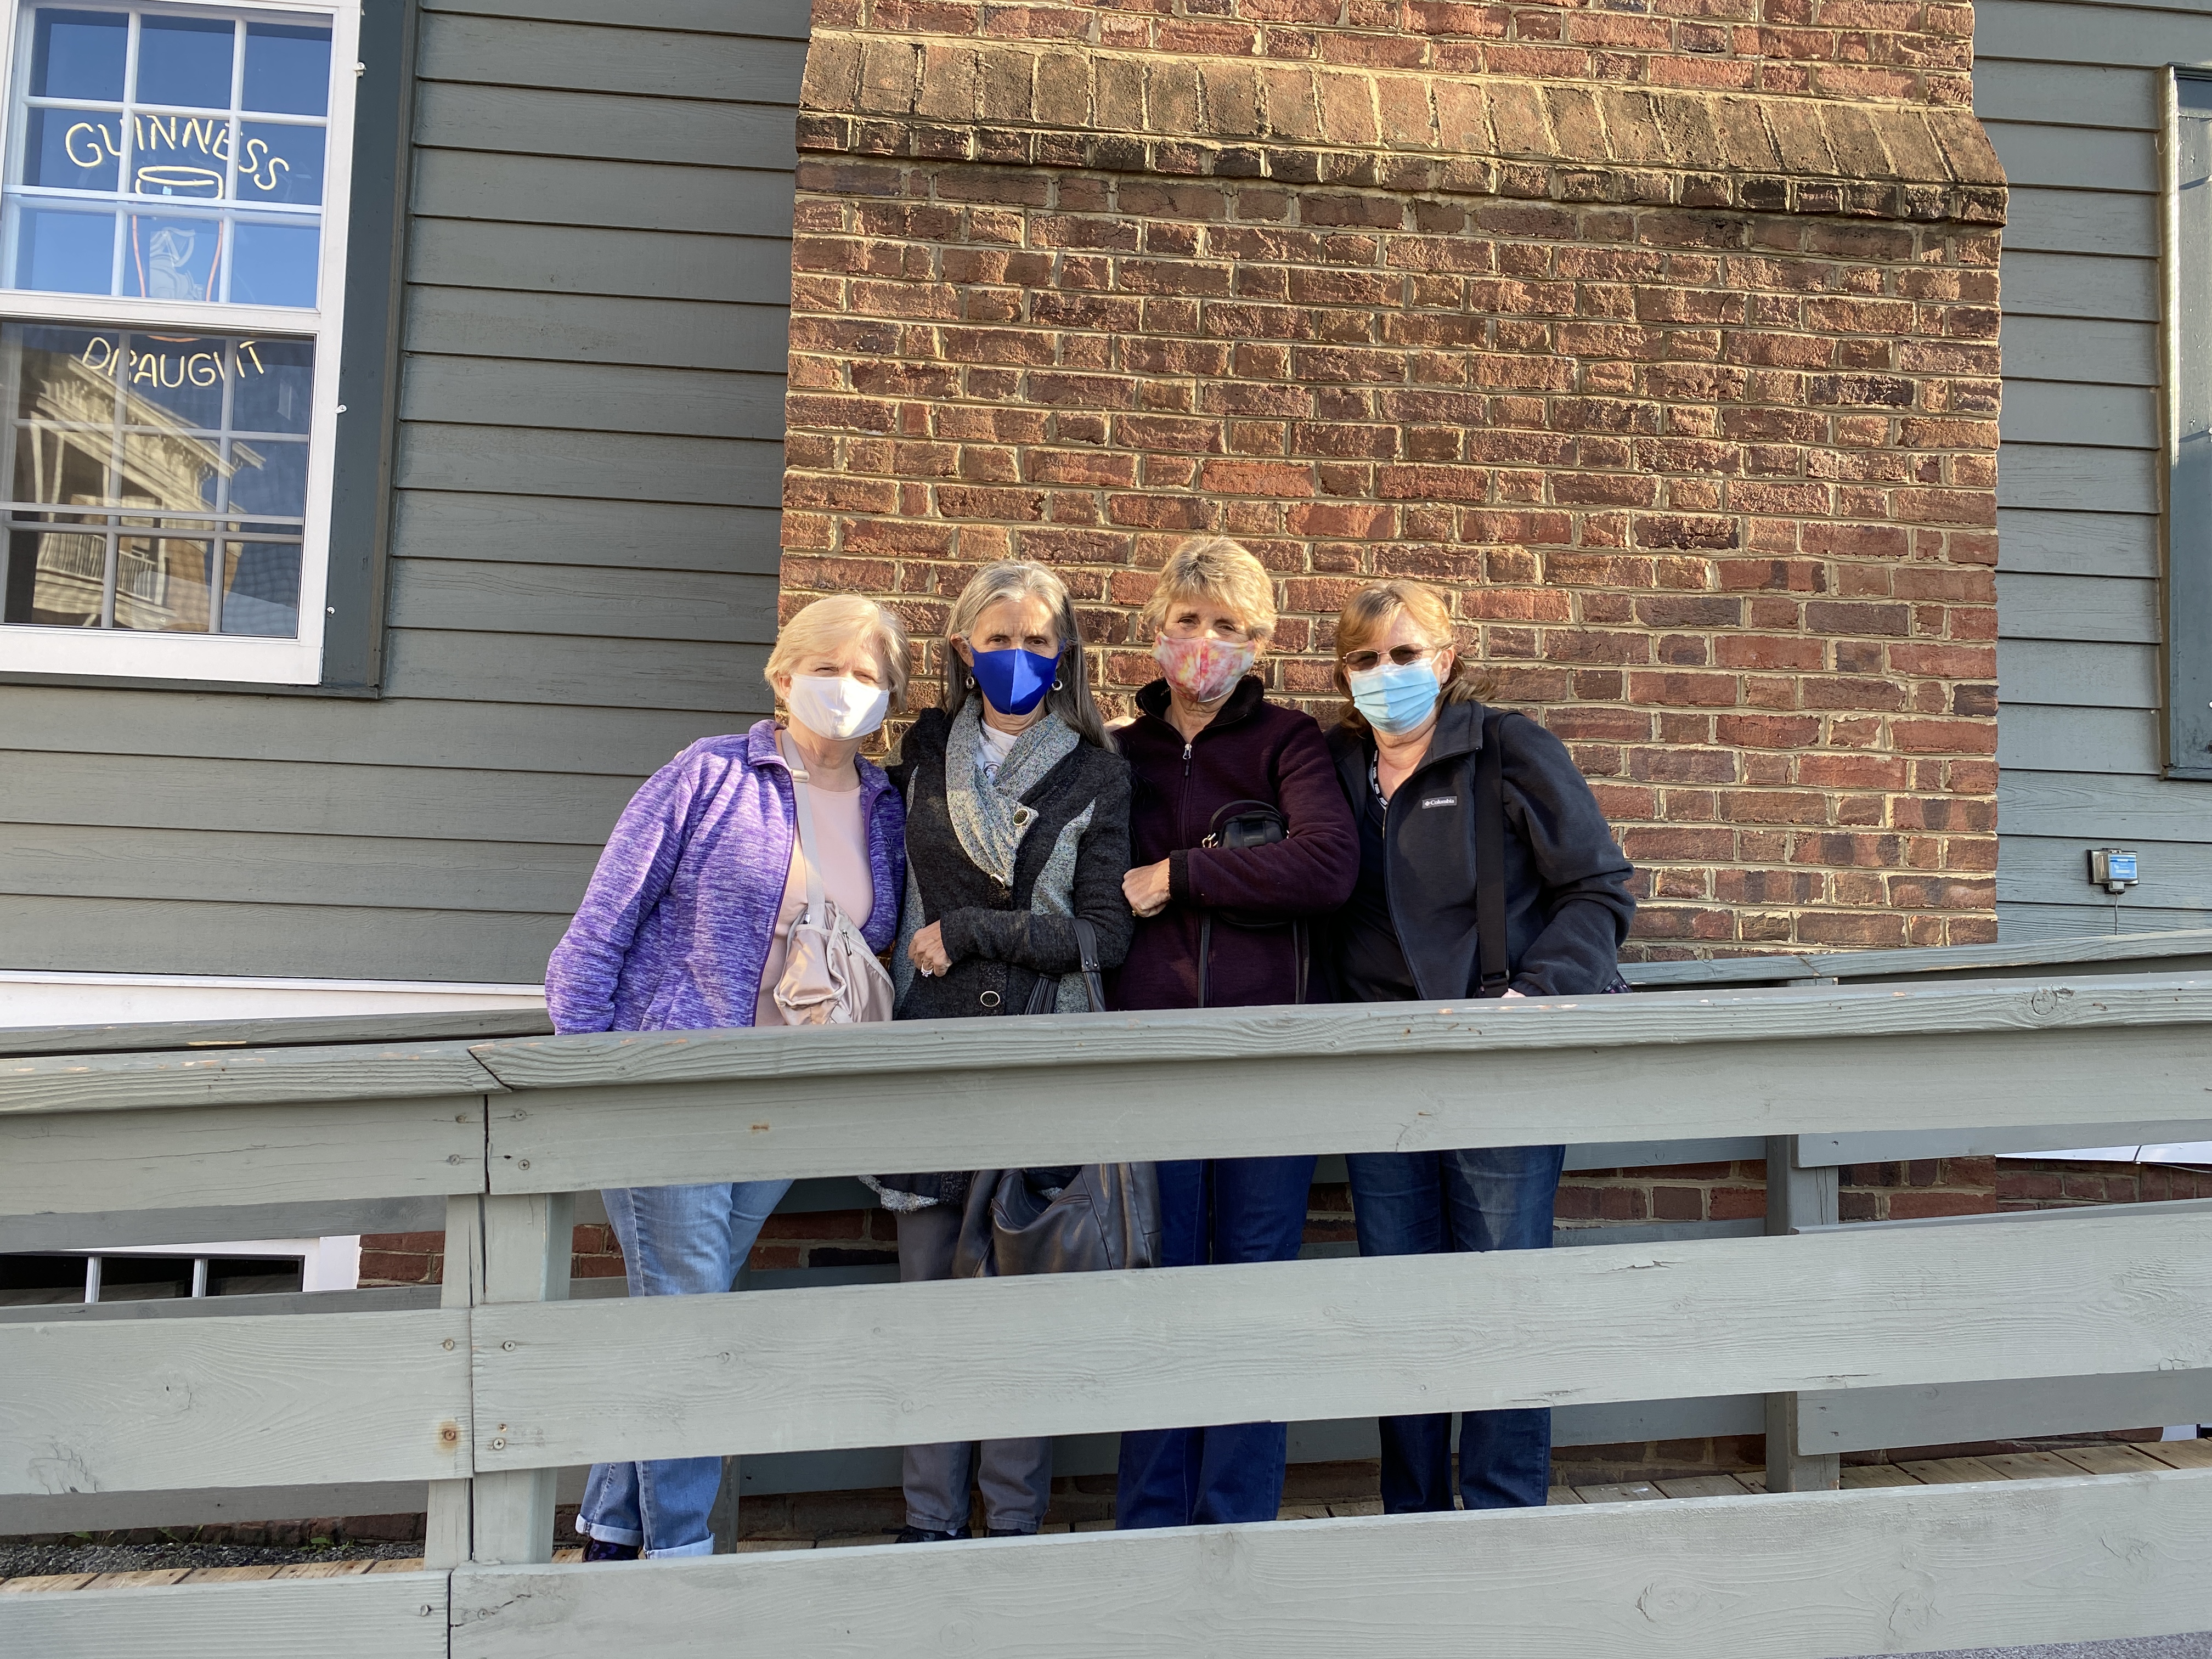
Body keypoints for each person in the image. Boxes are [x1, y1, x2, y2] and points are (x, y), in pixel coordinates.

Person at [544, 594, 911, 1560]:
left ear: (890, 696)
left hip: (789, 1102)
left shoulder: (886, 808)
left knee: (681, 1313)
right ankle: (680, 1557)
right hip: (672, 1089)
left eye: (867, 675)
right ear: (784, 675)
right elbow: (597, 934)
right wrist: (591, 1078)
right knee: (693, 1322)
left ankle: (612, 1531)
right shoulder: (708, 775)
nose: (845, 688)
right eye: (827, 667)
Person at [1322, 578, 1636, 1515]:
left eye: (1405, 653)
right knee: (1405, 1308)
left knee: (1502, 1303)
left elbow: (1599, 890)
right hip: (1382, 1075)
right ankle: (1414, 1522)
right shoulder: (1333, 768)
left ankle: (1503, 1523)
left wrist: (1534, 996)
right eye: (1366, 659)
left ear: (1448, 657)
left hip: (1498, 1068)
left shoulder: (1506, 749)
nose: (1386, 673)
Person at [872, 560, 1134, 1543]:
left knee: (1023, 1311)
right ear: (962, 648)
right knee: (929, 1312)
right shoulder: (919, 760)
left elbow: (1103, 936)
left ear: (1063, 654)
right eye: (997, 639)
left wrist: (977, 929)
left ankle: (1014, 1528)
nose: (1015, 655)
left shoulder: (1097, 774)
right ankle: (929, 1525)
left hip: (1040, 1054)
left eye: (1035, 640)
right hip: (931, 1055)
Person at [1108, 535, 1359, 1530]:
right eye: (1187, 620)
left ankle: (1237, 1523)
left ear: (1259, 640)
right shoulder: (1116, 752)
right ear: (1156, 628)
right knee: (1158, 1287)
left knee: (1254, 1289)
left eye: (1227, 626)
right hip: (1149, 1060)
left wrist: (1184, 874)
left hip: (1267, 1059)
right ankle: (1151, 1521)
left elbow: (1327, 866)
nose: (1203, 641)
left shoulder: (1290, 743)